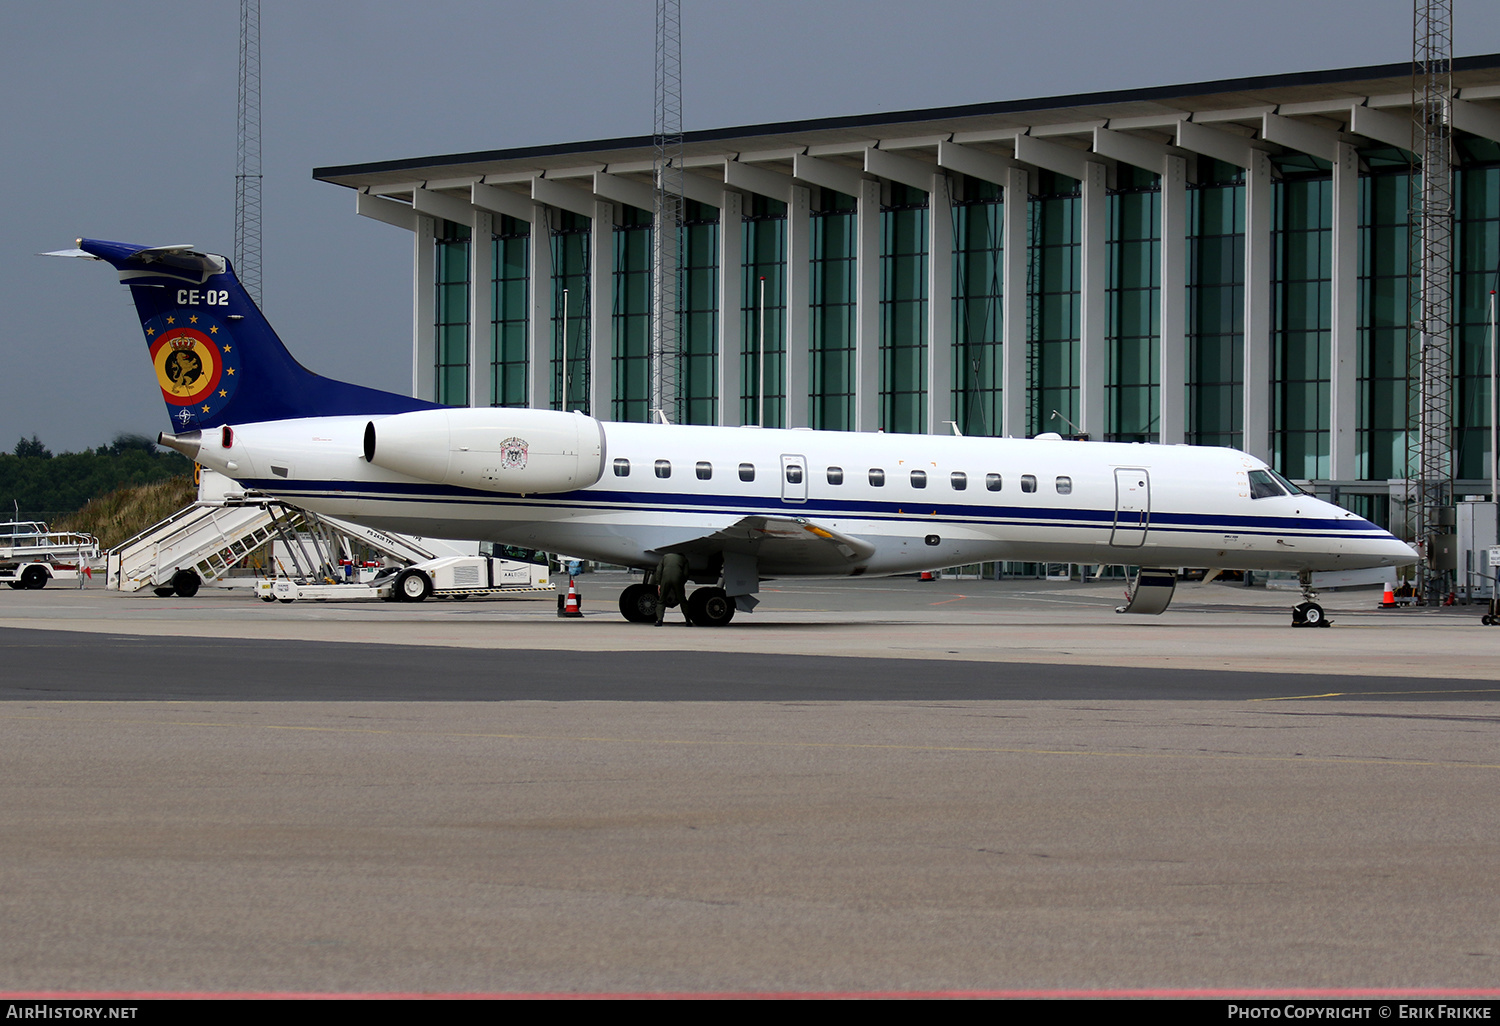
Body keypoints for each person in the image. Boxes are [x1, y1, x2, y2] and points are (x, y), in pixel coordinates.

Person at [654, 552, 690, 627]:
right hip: (677, 578)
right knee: (682, 600)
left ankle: (659, 620)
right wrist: (681, 584)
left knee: (661, 600)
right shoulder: (684, 559)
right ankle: (687, 620)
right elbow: (686, 573)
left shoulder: (665, 557)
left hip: (665, 579)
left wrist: (659, 583)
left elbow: (659, 570)